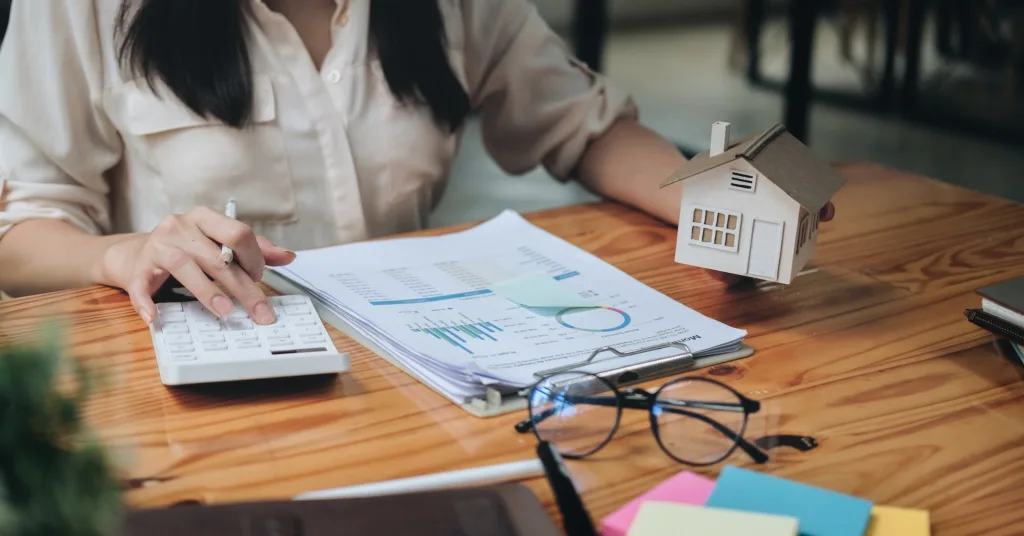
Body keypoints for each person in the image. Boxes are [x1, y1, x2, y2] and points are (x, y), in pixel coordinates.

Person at [0, 0, 832, 325]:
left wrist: (714, 207)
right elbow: (21, 231)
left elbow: (583, 126)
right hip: (204, 369)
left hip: (423, 355)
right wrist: (121, 253)